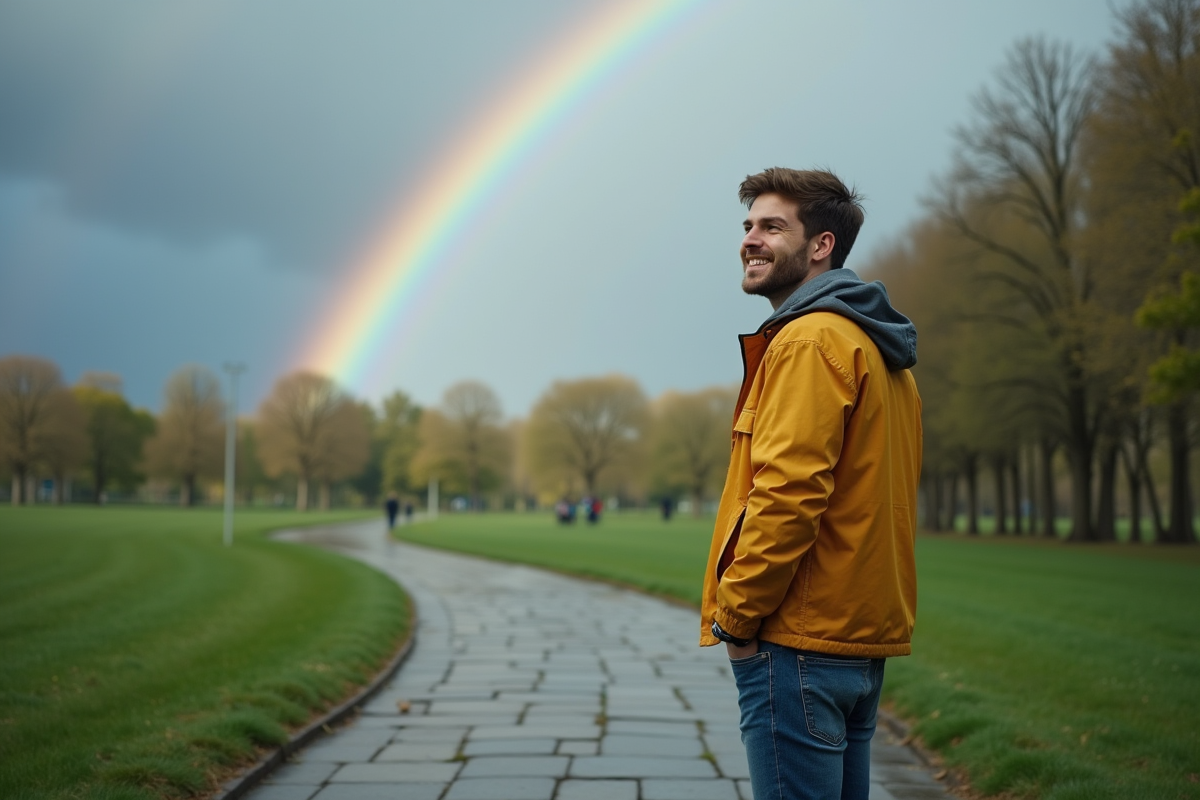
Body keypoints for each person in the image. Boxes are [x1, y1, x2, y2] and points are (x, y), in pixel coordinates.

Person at [700, 168, 922, 800]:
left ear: (822, 245)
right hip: (856, 641)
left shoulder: (808, 341)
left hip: (796, 642)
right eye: (748, 225)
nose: (750, 239)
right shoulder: (875, 346)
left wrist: (736, 618)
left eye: (773, 227)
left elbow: (787, 496)